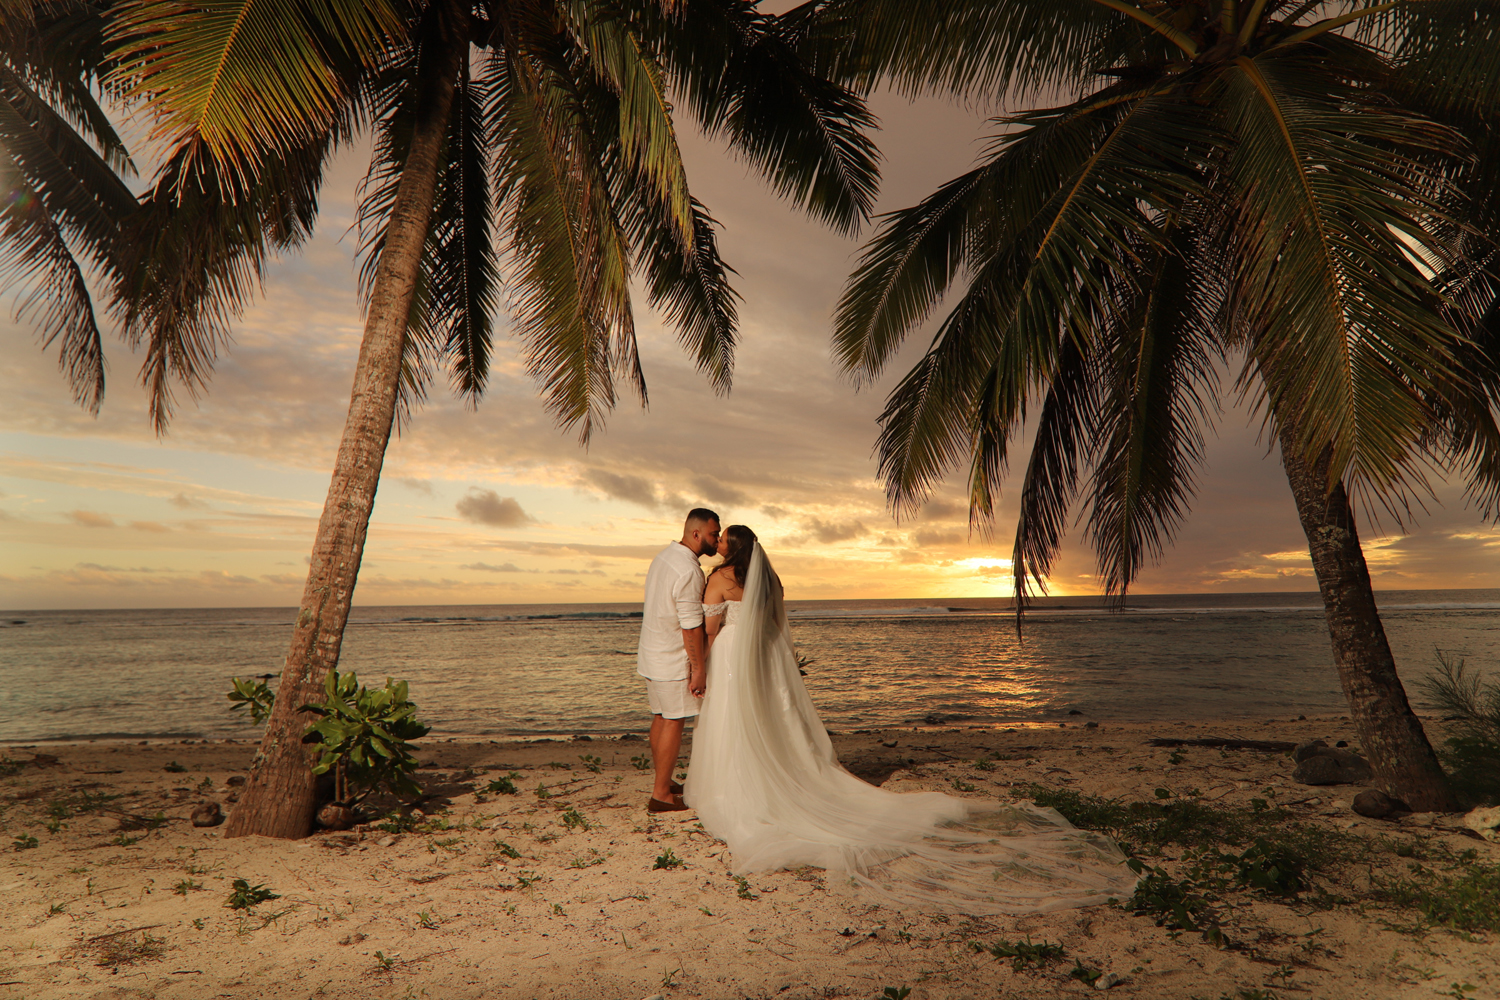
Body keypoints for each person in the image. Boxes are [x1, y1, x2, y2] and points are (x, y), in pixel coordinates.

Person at [684, 527, 1139, 915]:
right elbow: (773, 621)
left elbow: (709, 629)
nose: (718, 544)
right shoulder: (769, 578)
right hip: (765, 657)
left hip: (732, 655)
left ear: (732, 547)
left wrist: (698, 663)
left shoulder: (719, 578)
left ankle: (738, 784)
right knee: (769, 721)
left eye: (723, 540)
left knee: (733, 720)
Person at [636, 508, 720, 812]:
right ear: (696, 534)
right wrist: (698, 669)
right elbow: (691, 626)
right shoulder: (689, 570)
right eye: (713, 534)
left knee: (661, 717)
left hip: (652, 653)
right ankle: (661, 794)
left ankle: (664, 781)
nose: (717, 539)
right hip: (671, 658)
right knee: (673, 721)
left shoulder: (664, 557)